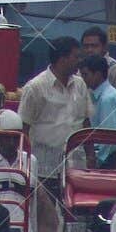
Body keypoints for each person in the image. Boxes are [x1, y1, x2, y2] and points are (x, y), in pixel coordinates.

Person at [17, 37, 89, 184]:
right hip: (43, 168)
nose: (79, 61)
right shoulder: (35, 87)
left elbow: (86, 122)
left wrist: (91, 155)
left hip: (75, 166)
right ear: (62, 59)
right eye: (76, 57)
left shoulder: (80, 84)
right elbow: (23, 129)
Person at [80, 27, 116, 127]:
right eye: (86, 46)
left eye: (94, 46)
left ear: (104, 47)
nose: (89, 50)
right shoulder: (80, 70)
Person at [80, 54, 116, 154]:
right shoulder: (96, 94)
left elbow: (107, 138)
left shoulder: (106, 99)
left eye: (85, 74)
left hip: (105, 160)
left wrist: (95, 160)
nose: (82, 79)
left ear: (98, 74)